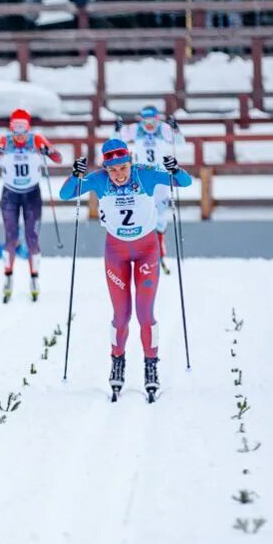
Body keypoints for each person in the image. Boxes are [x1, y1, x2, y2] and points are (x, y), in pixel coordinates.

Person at [59, 139, 193, 402]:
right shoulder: (99, 180)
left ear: (130, 163)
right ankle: (117, 361)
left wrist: (175, 169)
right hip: (116, 253)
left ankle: (150, 365)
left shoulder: (145, 174)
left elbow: (184, 183)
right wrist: (75, 174)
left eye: (123, 168)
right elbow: (66, 194)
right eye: (113, 170)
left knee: (145, 314)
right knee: (121, 315)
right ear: (105, 169)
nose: (119, 175)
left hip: (147, 250)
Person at [0, 108, 62, 303]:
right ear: (11, 127)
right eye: (16, 127)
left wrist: (48, 152)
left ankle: (34, 278)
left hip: (32, 193)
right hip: (10, 194)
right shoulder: (4, 141)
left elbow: (58, 158)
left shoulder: (36, 140)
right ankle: (8, 277)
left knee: (32, 238)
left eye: (23, 128)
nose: (20, 133)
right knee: (11, 237)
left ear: (29, 127)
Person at [119, 105, 185, 270]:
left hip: (160, 176)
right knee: (142, 213)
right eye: (145, 121)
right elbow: (117, 139)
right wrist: (117, 129)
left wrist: (176, 130)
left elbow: (180, 142)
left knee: (160, 216)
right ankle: (143, 252)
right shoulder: (135, 129)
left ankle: (160, 252)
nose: (149, 125)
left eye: (152, 121)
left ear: (157, 119)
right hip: (142, 176)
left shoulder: (163, 128)